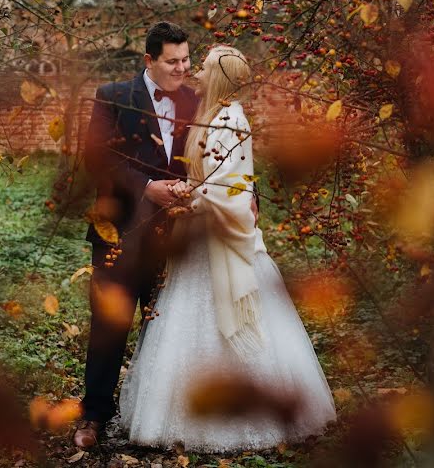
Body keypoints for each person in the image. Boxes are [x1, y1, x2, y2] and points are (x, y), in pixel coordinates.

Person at [117, 45, 336, 452]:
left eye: (203, 66)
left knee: (232, 320)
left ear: (218, 75)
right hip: (203, 240)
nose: (195, 70)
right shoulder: (213, 114)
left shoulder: (229, 120)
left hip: (218, 237)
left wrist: (189, 201)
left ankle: (239, 415)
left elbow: (227, 190)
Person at [74, 21, 198, 448]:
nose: (182, 69)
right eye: (172, 61)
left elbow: (225, 153)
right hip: (119, 232)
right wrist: (148, 188)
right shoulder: (113, 96)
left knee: (166, 328)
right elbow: (97, 159)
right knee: (110, 325)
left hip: (176, 236)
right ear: (149, 60)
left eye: (186, 59)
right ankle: (93, 415)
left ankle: (158, 416)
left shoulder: (197, 101)